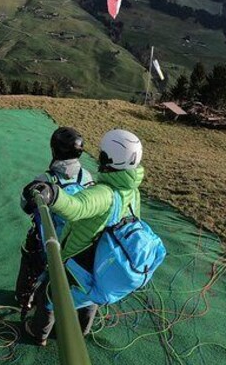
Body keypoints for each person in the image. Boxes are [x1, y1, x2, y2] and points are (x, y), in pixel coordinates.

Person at [21, 129, 144, 345]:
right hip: (105, 260)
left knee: (50, 294)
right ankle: (80, 330)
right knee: (91, 295)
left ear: (107, 157)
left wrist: (52, 193)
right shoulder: (132, 191)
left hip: (80, 257)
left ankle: (38, 333)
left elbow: (77, 207)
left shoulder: (105, 193)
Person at [15, 127, 94, 327]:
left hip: (47, 244)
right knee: (72, 285)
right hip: (78, 245)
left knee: (32, 267)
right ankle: (79, 325)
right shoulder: (88, 177)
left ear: (55, 150)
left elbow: (26, 206)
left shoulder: (46, 179)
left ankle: (25, 300)